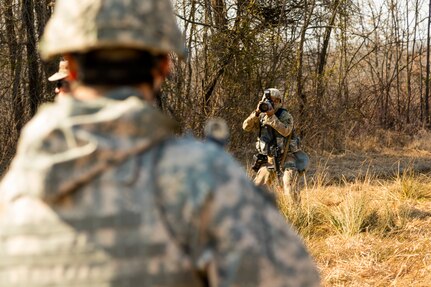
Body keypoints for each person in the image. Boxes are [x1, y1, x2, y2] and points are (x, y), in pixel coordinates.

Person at [0, 0, 320, 286]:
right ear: (164, 65)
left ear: (68, 61)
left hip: (284, 158)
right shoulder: (204, 177)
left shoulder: (12, 190)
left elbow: (287, 133)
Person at [243, 88, 307, 202]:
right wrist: (256, 113)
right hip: (269, 158)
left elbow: (286, 131)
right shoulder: (260, 116)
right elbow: (246, 127)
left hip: (287, 156)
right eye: (266, 100)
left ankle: (296, 215)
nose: (268, 104)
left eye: (272, 101)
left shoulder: (285, 115)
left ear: (278, 101)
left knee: (289, 185)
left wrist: (272, 117)